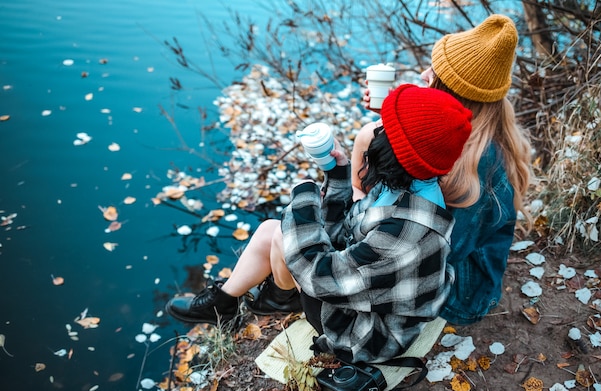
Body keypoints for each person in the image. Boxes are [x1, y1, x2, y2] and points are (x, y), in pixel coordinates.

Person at [166, 85, 473, 363]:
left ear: (401, 152)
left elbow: (318, 276)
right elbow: (348, 228)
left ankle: (278, 297)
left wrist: (303, 196)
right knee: (268, 231)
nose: (377, 129)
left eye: (386, 128)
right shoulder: (404, 183)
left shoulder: (410, 228)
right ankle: (225, 302)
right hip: (367, 293)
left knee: (281, 238)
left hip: (368, 335)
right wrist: (339, 176)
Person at [353, 14, 533, 325]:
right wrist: (399, 122)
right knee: (371, 134)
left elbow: (437, 252)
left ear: (454, 96)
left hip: (458, 295)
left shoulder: (479, 167)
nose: (423, 74)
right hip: (442, 263)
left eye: (434, 75)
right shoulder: (474, 131)